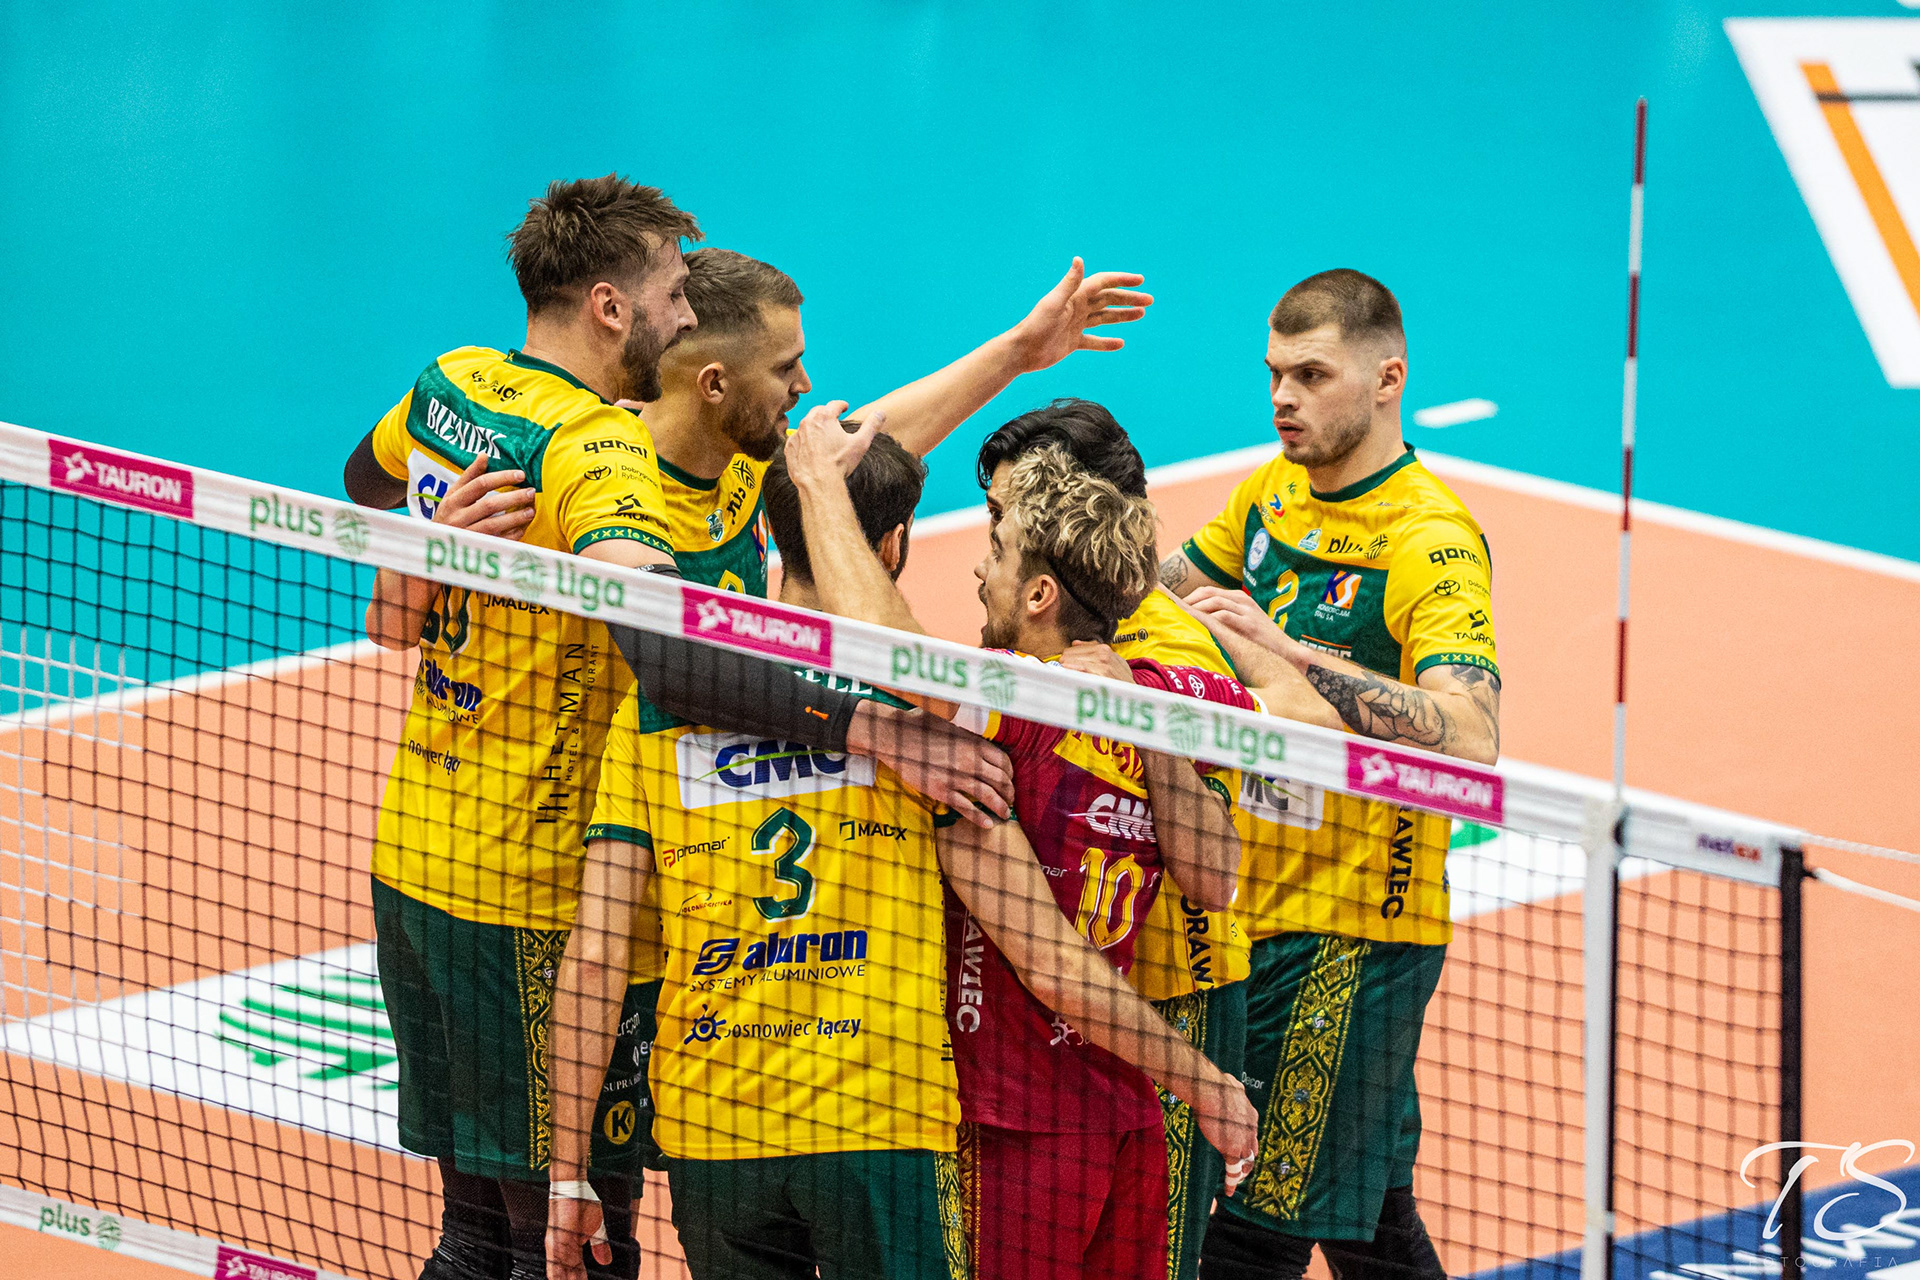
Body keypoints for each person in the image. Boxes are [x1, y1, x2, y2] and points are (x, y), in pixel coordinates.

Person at [339, 176, 1006, 1280]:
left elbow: (361, 478)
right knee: (573, 1247)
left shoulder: (452, 380)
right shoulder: (599, 451)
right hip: (537, 889)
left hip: (420, 854)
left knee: (477, 1237)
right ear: (612, 307)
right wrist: (870, 727)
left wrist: (427, 544)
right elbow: (668, 653)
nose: (686, 312)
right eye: (671, 294)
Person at [545, 435, 1254, 1280]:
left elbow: (597, 955)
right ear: (893, 547)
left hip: (762, 1123)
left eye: (995, 547)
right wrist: (1201, 1080)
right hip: (934, 1115)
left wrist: (566, 1173)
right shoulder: (955, 726)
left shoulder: (950, 717)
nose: (978, 569)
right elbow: (1120, 925)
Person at [549, 243, 1154, 1174]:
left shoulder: (740, 459)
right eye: (787, 369)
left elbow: (865, 446)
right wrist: (872, 727)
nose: (806, 390)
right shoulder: (606, 483)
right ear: (716, 384)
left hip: (679, 875)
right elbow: (672, 668)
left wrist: (1020, 351)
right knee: (555, 1200)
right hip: (569, 861)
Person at [783, 423, 1263, 1279]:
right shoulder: (1164, 690)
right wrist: (1154, 728)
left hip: (1014, 1120)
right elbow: (1220, 875)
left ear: (1040, 593)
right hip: (1123, 1105)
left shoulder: (1011, 701)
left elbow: (881, 640)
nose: (979, 569)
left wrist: (818, 484)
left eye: (997, 549)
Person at [1155, 269, 1501, 1280]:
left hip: (1356, 934)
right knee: (1369, 1224)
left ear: (1388, 378)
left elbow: (1471, 732)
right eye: (1274, 373)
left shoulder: (1430, 538)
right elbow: (1170, 589)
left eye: (1310, 374)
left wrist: (1287, 656)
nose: (1282, 396)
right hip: (1259, 907)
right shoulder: (1270, 491)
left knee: (1253, 1222)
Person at [972, 399, 1258, 1280]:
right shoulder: (1017, 677)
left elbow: (1216, 875)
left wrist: (1148, 716)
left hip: (1161, 1015)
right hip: (1079, 1054)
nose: (980, 558)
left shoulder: (1160, 654)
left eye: (999, 525)